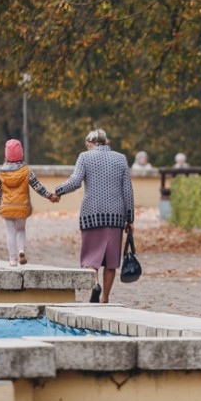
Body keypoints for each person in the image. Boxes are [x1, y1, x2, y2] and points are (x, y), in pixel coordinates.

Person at [54, 129, 135, 303]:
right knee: (111, 260)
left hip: (91, 214)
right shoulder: (121, 158)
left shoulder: (85, 157)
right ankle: (105, 298)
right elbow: (127, 190)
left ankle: (95, 284)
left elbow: (75, 182)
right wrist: (130, 218)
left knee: (91, 258)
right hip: (115, 216)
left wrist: (58, 191)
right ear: (106, 142)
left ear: (89, 143)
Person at [0, 139, 58, 266]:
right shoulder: (26, 171)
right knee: (21, 230)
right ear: (21, 154)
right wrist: (50, 196)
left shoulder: (1, 172)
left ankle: (12, 259)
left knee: (10, 232)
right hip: (22, 207)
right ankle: (21, 250)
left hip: (6, 207)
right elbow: (38, 187)